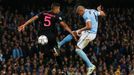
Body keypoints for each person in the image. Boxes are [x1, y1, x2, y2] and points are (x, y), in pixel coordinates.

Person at [58, 5, 106, 75]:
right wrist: (99, 11)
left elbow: (89, 26)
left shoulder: (85, 15)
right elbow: (103, 14)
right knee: (73, 33)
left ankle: (90, 65)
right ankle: (59, 44)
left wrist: (81, 30)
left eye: (79, 13)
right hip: (90, 32)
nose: (79, 15)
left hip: (90, 33)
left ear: (81, 10)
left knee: (77, 49)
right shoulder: (92, 10)